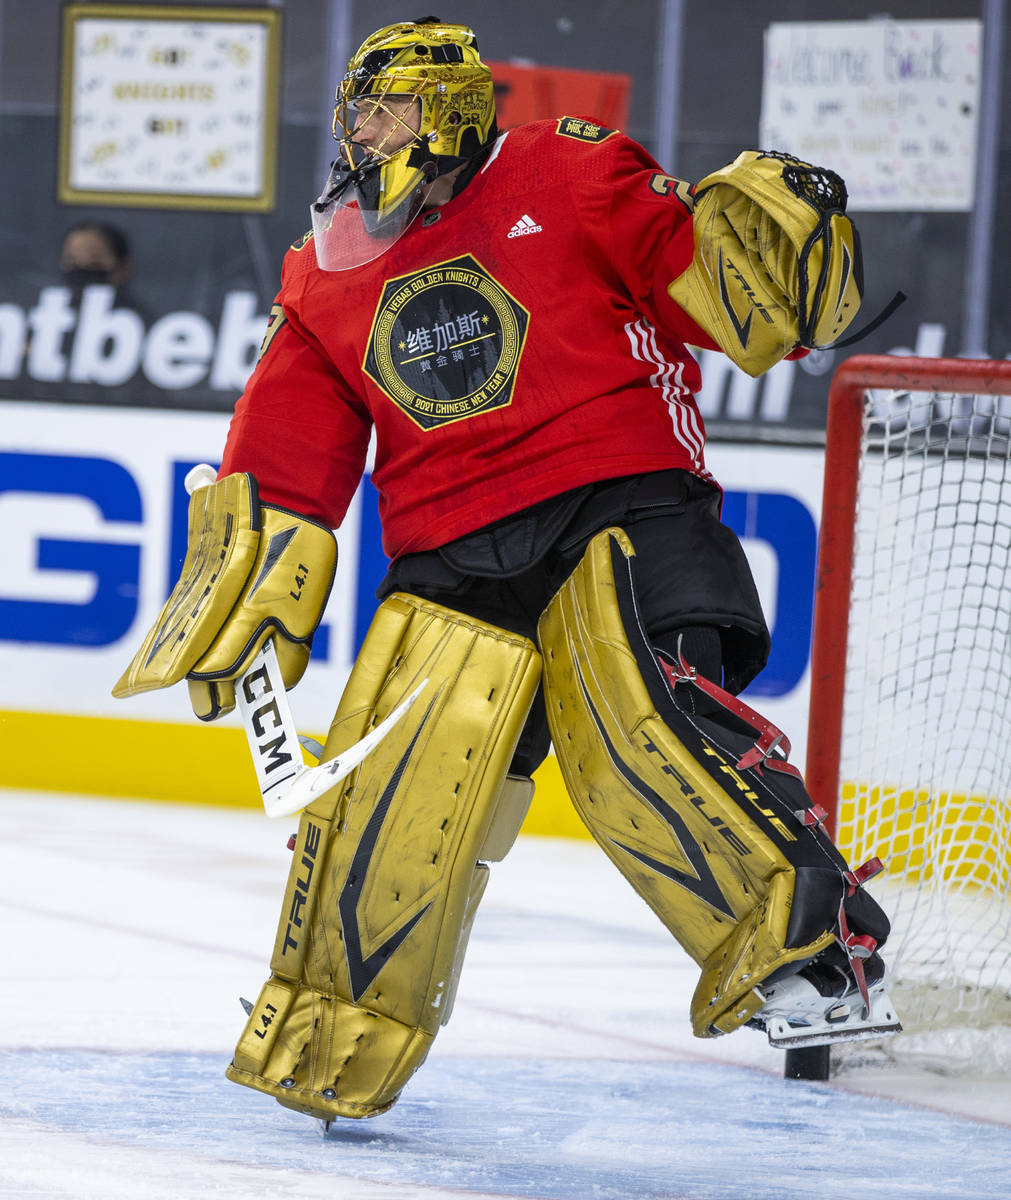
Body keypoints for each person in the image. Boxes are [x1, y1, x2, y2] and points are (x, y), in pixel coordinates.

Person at [113, 17, 899, 1124]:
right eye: (359, 112)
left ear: (455, 109)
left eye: (391, 109)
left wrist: (753, 256)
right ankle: (343, 1023)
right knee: (388, 799)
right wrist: (259, 563)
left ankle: (816, 946)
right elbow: (289, 441)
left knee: (644, 727)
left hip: (616, 501)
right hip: (449, 555)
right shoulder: (329, 262)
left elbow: (698, 283)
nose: (366, 132)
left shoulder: (564, 168)